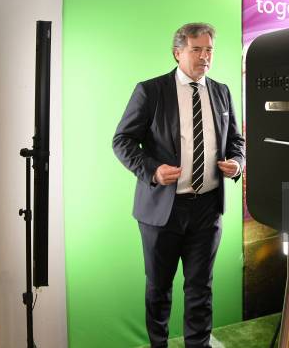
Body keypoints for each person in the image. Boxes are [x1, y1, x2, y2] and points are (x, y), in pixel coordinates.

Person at [113, 22, 245, 348]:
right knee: (159, 287)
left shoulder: (222, 91)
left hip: (207, 207)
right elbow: (123, 140)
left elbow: (236, 142)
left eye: (209, 50)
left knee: (201, 287)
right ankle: (158, 344)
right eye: (196, 49)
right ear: (178, 52)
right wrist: (153, 171)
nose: (204, 57)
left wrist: (237, 163)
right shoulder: (151, 90)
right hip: (162, 210)